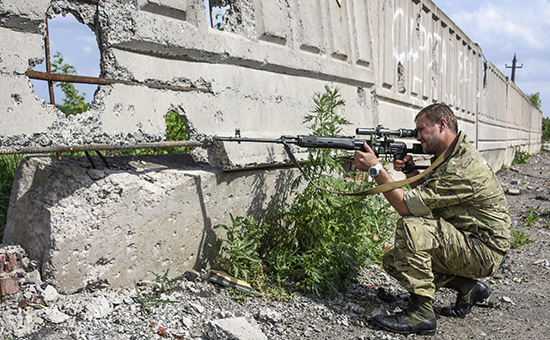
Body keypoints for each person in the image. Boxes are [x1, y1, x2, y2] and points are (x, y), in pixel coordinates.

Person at [353, 103, 510, 336]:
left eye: (421, 129)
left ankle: (422, 315)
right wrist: (410, 173)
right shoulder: (451, 155)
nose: (418, 137)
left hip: (483, 250)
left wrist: (376, 169)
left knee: (410, 227)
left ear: (442, 125)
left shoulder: (460, 166)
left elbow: (406, 207)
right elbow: (430, 198)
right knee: (393, 260)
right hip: (472, 241)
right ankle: (468, 287)